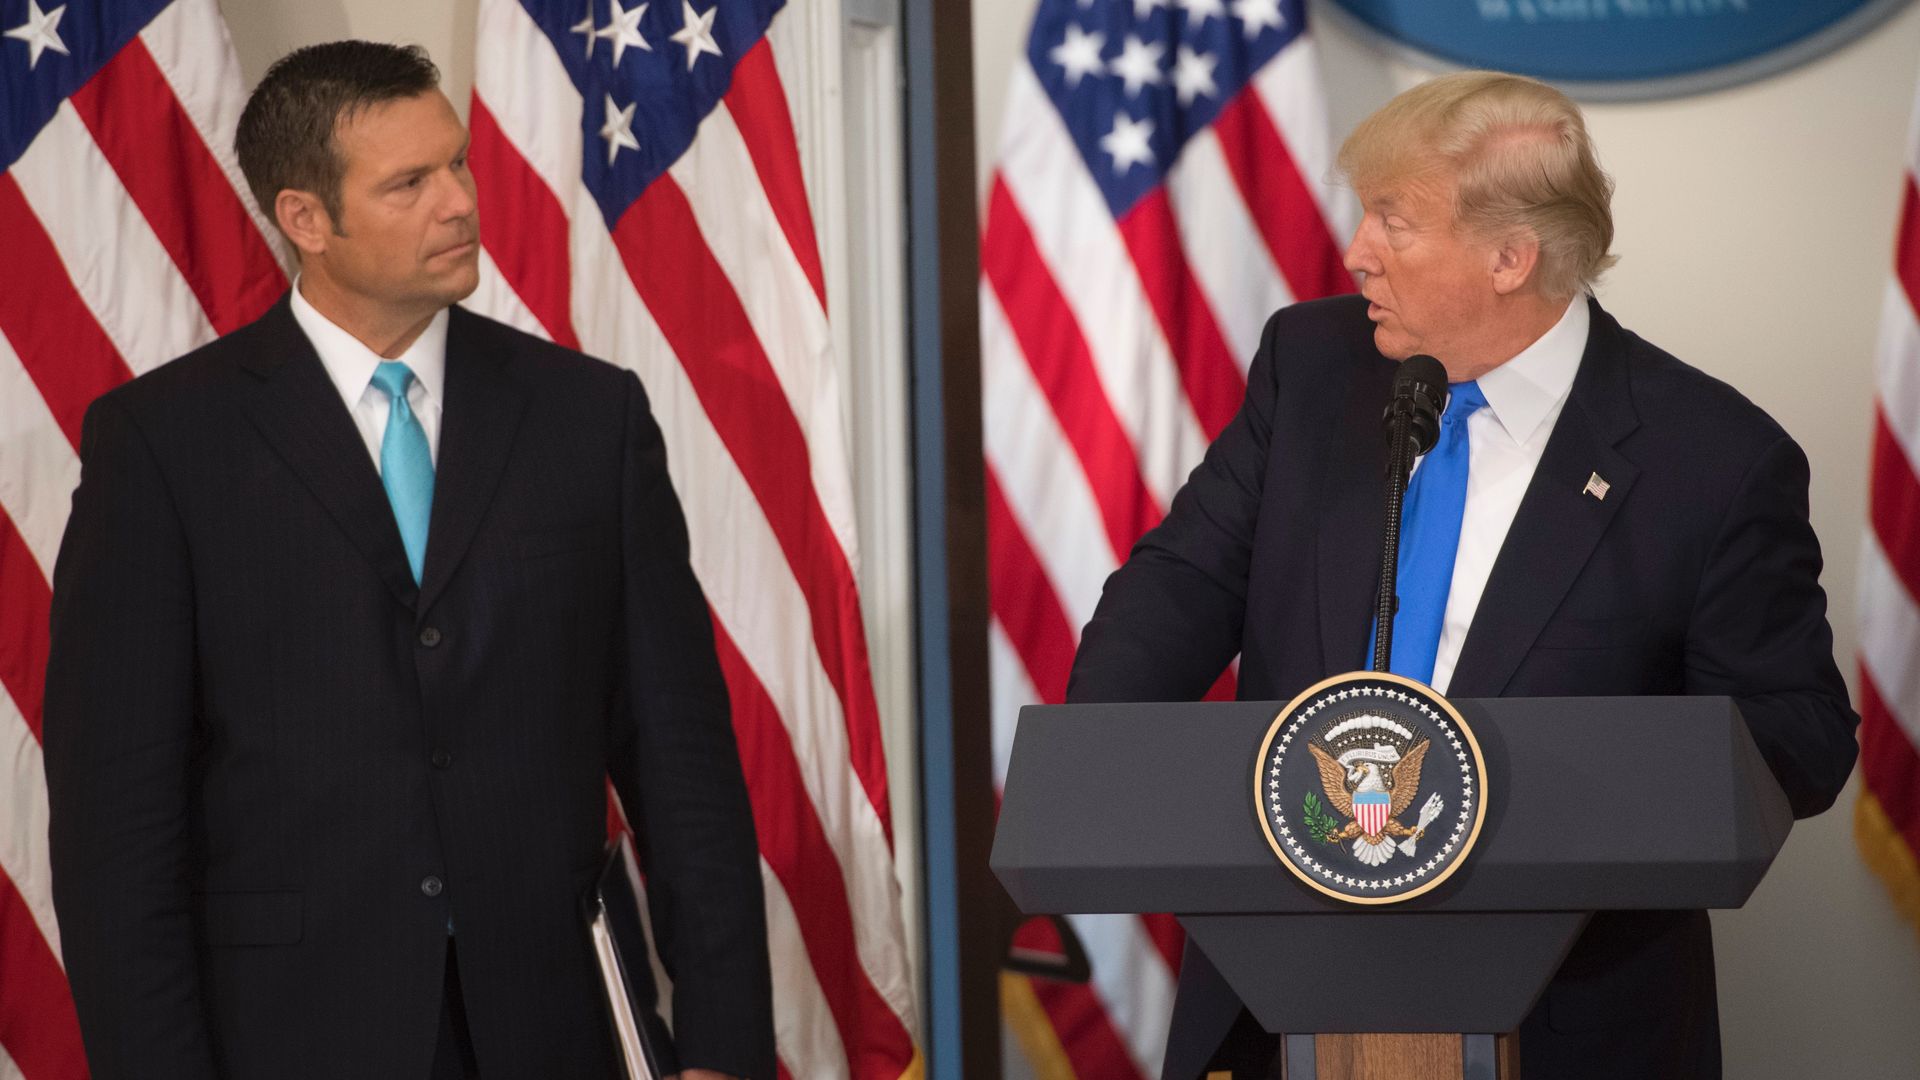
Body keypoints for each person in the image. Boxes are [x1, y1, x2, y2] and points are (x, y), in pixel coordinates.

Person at [1066, 71, 1858, 1080]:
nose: (1357, 252)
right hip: (1284, 994)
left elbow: (1798, 730)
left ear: (1509, 258)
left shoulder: (1714, 458)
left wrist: (1589, 802)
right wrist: (1103, 768)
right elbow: (1178, 586)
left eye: (1393, 221)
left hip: (1571, 1024)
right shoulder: (1310, 368)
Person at [42, 41, 773, 1080]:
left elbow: (682, 764)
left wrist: (724, 1046)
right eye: (410, 183)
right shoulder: (162, 446)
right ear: (306, 221)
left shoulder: (589, 420)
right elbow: (118, 831)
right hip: (286, 1040)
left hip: (556, 1030)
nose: (460, 202)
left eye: (459, 164)